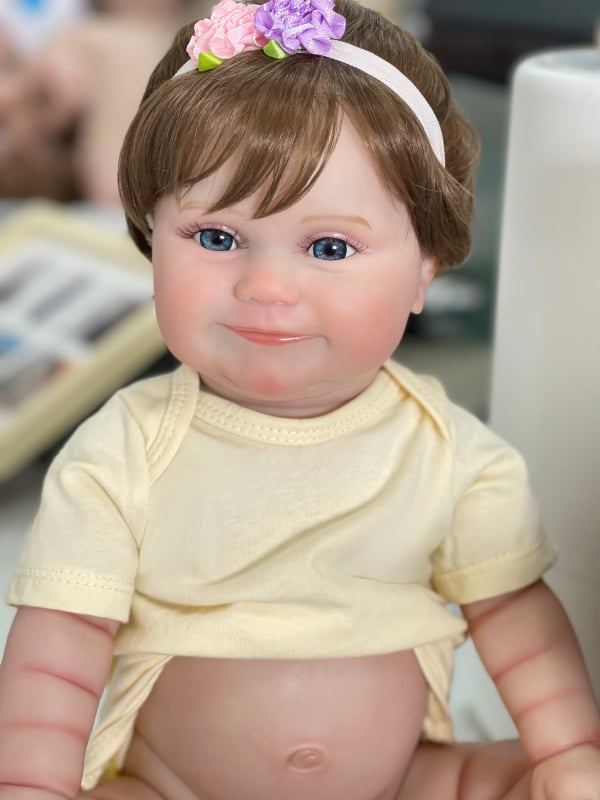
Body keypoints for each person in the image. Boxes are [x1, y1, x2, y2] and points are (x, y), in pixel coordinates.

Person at [0, 0, 599, 797]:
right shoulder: (124, 452)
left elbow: (518, 624)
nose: (267, 287)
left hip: (403, 779)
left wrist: (567, 751)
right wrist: (32, 784)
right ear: (150, 239)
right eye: (217, 238)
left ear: (424, 270)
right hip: (175, 784)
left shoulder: (449, 452)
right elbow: (59, 651)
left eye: (329, 246)